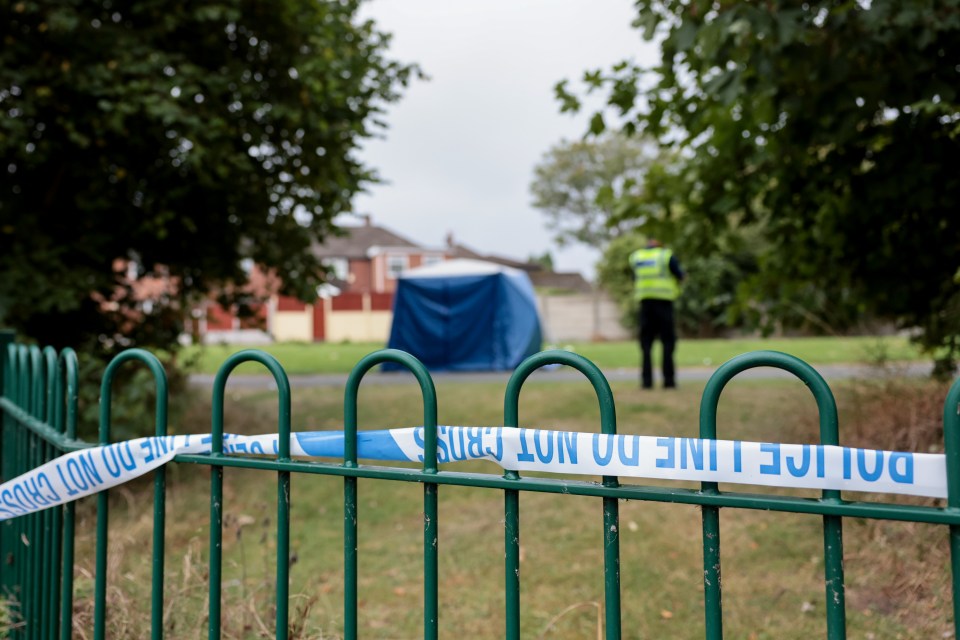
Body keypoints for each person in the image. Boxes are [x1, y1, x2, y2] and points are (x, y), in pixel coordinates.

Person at [629, 239, 685, 389]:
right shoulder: (665, 255)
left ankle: (646, 382)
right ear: (659, 243)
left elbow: (634, 278)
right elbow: (680, 275)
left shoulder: (636, 257)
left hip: (645, 305)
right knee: (668, 343)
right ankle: (669, 381)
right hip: (664, 304)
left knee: (645, 345)